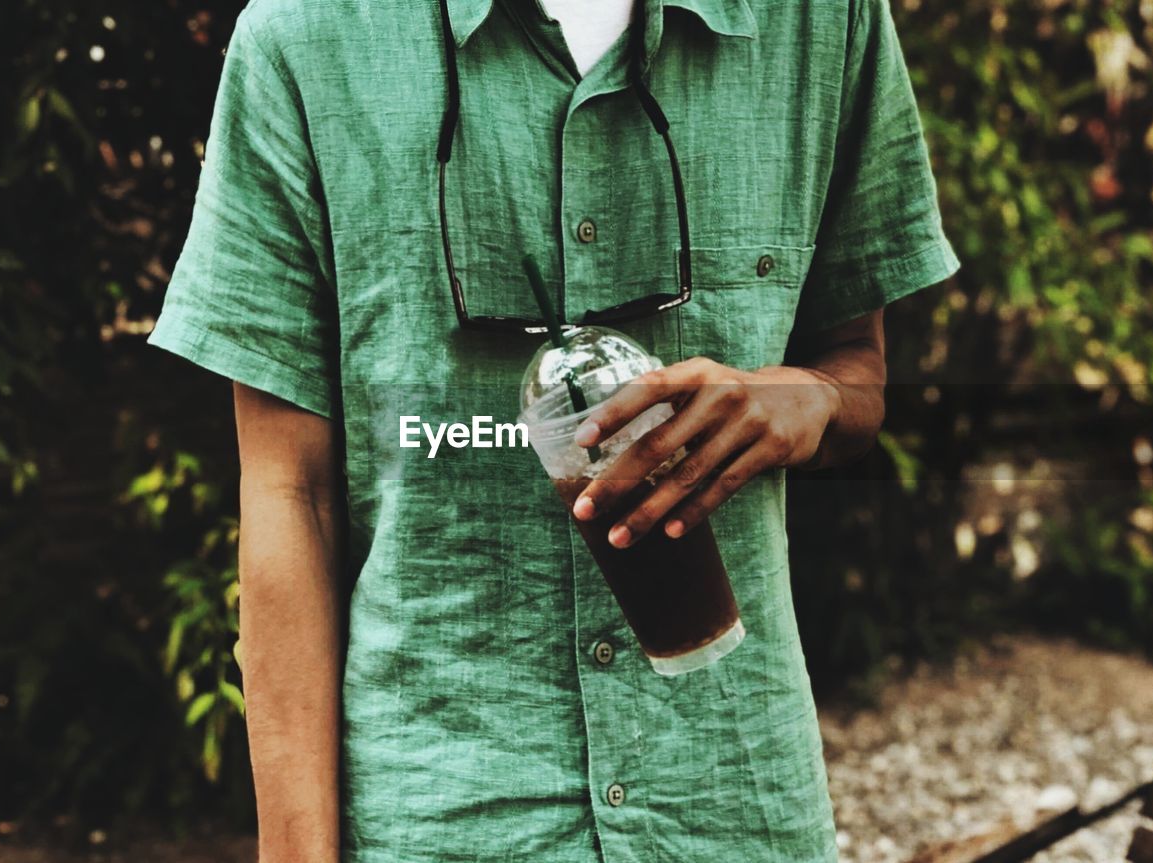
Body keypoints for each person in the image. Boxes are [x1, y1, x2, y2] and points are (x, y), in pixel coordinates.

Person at [147, 0, 959, 860]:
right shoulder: (305, 36)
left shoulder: (825, 23)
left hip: (733, 798)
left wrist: (806, 400)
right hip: (441, 810)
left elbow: (858, 373)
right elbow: (288, 492)